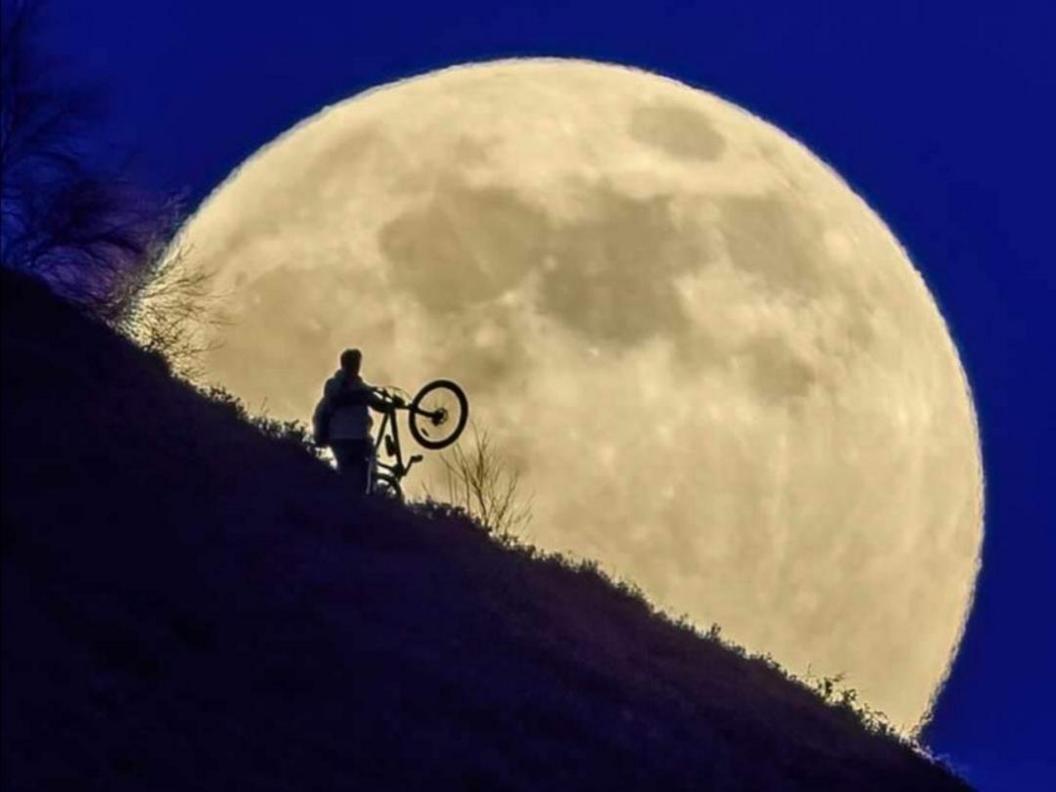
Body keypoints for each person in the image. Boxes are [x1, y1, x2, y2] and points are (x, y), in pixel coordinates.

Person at [312, 348, 394, 495]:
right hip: (342, 437)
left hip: (358, 438)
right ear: (345, 364)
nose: (356, 366)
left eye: (357, 363)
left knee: (363, 476)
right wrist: (362, 396)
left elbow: (376, 403)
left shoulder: (360, 385)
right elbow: (338, 397)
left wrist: (390, 405)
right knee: (348, 474)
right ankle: (345, 503)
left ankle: (357, 502)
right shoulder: (335, 383)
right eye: (354, 363)